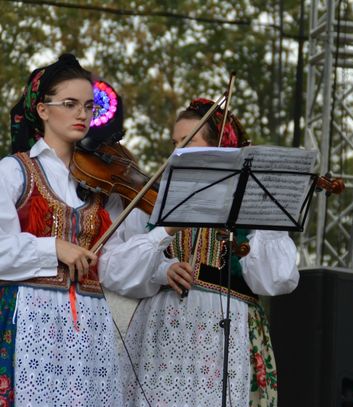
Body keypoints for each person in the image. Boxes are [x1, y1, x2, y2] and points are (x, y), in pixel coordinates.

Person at [99, 98, 299, 406]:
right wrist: (161, 270)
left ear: (219, 149)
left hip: (230, 333)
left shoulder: (250, 201)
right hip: (164, 331)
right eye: (175, 142)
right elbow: (114, 268)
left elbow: (276, 280)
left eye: (188, 141)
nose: (177, 151)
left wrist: (269, 220)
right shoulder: (154, 198)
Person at [0, 54, 123, 405]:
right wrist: (51, 247)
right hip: (31, 317)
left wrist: (162, 238)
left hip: (92, 322)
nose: (82, 114)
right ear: (42, 110)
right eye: (69, 104)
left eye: (88, 105)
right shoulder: (13, 171)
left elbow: (115, 260)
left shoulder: (101, 181)